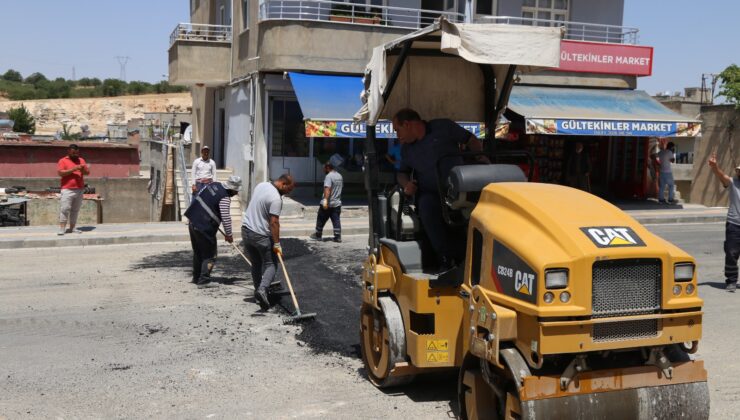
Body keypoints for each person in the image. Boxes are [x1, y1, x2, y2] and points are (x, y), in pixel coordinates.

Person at [392, 108, 487, 272]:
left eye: (397, 130)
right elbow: (402, 174)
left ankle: (481, 255)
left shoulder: (444, 127)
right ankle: (446, 259)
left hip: (459, 189)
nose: (397, 135)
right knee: (427, 207)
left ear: (407, 124)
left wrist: (479, 156)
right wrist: (406, 185)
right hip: (431, 194)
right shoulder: (406, 150)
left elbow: (471, 140)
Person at [242, 174, 296, 310]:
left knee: (256, 264)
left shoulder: (261, 185)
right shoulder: (276, 199)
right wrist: (277, 244)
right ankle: (262, 290)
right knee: (271, 264)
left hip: (246, 231)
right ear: (283, 184)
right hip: (260, 235)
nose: (287, 193)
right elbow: (274, 222)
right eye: (288, 190)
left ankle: (258, 294)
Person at [184, 175, 242, 285]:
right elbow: (226, 218)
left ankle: (196, 278)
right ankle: (204, 279)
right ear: (232, 189)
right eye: (236, 191)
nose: (237, 193)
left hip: (192, 221)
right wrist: (229, 235)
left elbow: (198, 195)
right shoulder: (224, 198)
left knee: (198, 252)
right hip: (204, 226)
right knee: (210, 255)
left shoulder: (213, 184)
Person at [708, 152, 740, 292]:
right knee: (731, 253)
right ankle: (731, 280)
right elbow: (721, 176)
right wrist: (715, 167)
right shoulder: (733, 183)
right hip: (734, 224)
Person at [57, 144, 90, 236]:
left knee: (75, 210)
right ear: (68, 151)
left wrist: (83, 170)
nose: (75, 154)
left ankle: (73, 228)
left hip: (79, 188)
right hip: (67, 189)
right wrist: (73, 169)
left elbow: (87, 173)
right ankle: (62, 228)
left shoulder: (81, 160)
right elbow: (60, 173)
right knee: (65, 209)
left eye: (76, 153)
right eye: (73, 153)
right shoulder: (63, 161)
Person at [310, 162, 344, 242]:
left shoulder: (329, 176)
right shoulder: (339, 176)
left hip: (328, 203)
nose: (323, 170)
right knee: (336, 220)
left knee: (321, 219)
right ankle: (337, 236)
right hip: (337, 203)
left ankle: (318, 235)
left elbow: (327, 189)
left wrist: (325, 200)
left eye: (324, 168)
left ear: (328, 167)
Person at [656, 138, 676, 204]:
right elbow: (673, 161)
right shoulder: (669, 152)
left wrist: (659, 163)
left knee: (662, 186)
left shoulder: (661, 152)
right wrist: (672, 153)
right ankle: (670, 199)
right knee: (671, 185)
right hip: (668, 172)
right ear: (671, 147)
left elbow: (654, 157)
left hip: (661, 172)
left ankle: (661, 199)